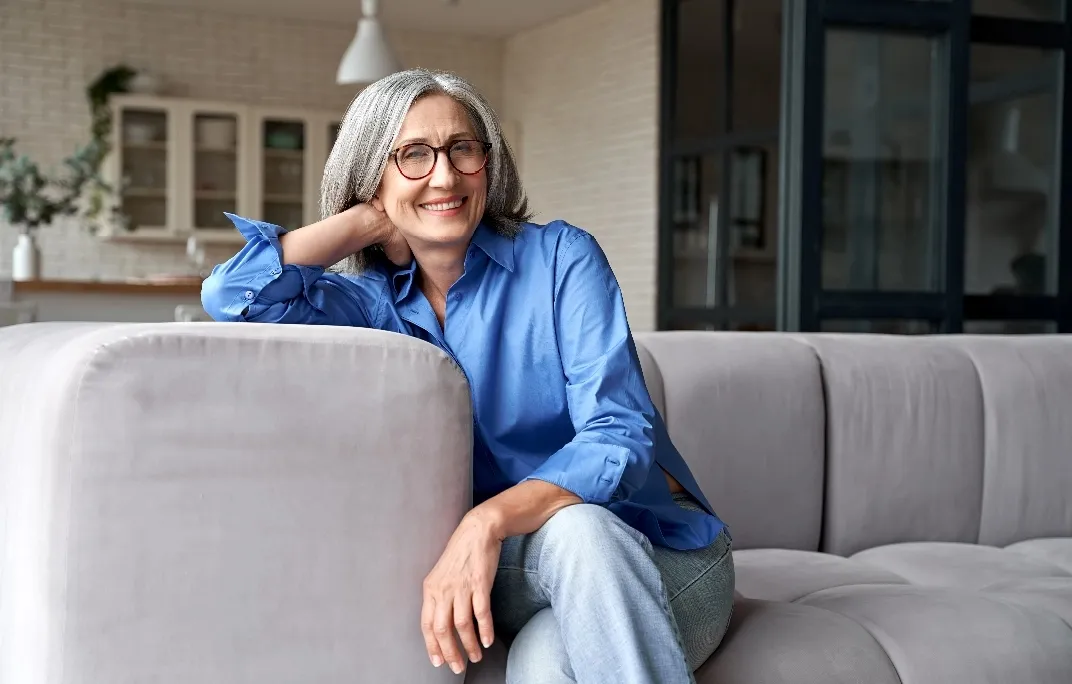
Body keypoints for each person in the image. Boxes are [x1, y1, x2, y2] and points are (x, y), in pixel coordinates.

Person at [201, 68, 734, 683]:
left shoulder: (562, 259)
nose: (445, 175)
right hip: (513, 569)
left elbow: (620, 435)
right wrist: (368, 221)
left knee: (551, 636)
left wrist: (487, 519)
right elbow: (235, 295)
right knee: (569, 554)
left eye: (463, 149)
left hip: (658, 553)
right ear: (370, 172)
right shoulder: (369, 307)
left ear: (489, 162)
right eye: (412, 156)